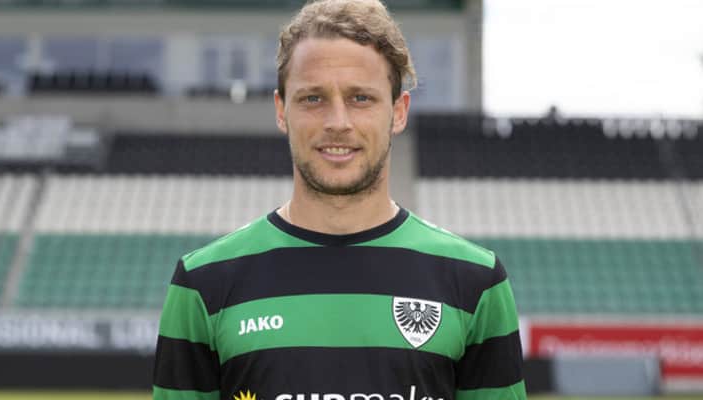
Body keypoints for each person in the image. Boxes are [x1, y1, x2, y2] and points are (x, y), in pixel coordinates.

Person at [152, 1, 526, 399]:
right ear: (281, 111)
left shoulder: (474, 281)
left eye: (360, 98)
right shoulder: (204, 283)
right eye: (313, 98)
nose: (337, 122)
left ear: (399, 112)